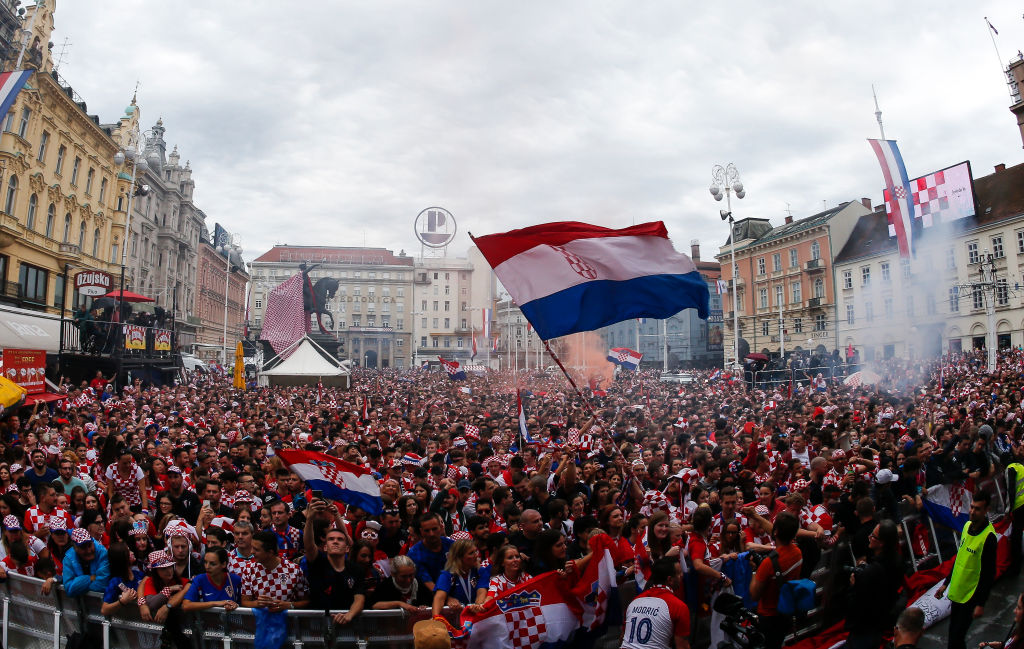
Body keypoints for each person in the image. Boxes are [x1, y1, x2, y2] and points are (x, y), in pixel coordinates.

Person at [937, 491, 997, 649]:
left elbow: (988, 574)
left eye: (977, 509)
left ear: (986, 510)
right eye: (971, 507)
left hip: (970, 595)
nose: (972, 511)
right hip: (957, 590)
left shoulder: (989, 537)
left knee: (957, 637)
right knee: (954, 636)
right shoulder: (966, 526)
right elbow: (960, 557)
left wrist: (980, 604)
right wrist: (946, 583)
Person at [843, 520, 905, 649]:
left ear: (882, 543)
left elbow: (856, 602)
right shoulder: (898, 560)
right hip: (881, 621)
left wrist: (854, 585)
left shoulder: (871, 573)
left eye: (873, 536)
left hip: (865, 627)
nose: (869, 537)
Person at [302, 498, 365, 625]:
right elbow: (309, 545)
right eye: (331, 539)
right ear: (325, 546)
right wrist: (309, 519)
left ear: (347, 548)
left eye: (340, 540)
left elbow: (359, 598)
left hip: (347, 625)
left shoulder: (355, 569)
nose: (335, 541)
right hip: (318, 625)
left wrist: (349, 615)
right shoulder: (318, 562)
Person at [750, 512, 801, 649]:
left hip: (768, 617)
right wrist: (756, 516)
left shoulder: (768, 564)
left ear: (776, 532)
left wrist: (754, 570)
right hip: (785, 614)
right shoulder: (797, 553)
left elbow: (754, 594)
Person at [621, 557, 690, 649]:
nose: (682, 575)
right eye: (679, 573)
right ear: (670, 580)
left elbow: (622, 638)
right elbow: (682, 646)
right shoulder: (678, 607)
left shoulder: (634, 602)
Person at [239, 530, 309, 612]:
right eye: (252, 547)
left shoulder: (294, 570)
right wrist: (257, 603)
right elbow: (244, 602)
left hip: (286, 623)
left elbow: (306, 601)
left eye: (256, 549)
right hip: (260, 623)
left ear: (270, 552)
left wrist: (289, 605)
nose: (251, 552)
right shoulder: (249, 569)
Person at [138, 550, 189, 649]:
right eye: (163, 568)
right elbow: (152, 603)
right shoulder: (150, 581)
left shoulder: (180, 580)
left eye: (170, 566)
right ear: (156, 571)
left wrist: (168, 606)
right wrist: (169, 589)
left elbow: (192, 585)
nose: (168, 570)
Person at [431, 538, 487, 617]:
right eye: (471, 553)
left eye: (476, 551)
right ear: (459, 557)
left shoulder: (480, 572)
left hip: (476, 615)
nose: (476, 555)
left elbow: (481, 592)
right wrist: (436, 618)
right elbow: (439, 598)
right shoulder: (447, 575)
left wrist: (477, 608)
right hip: (456, 619)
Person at [181, 547, 242, 611]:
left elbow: (244, 603)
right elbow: (185, 605)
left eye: (212, 564)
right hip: (206, 620)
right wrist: (215, 603)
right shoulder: (199, 580)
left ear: (224, 564)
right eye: (205, 562)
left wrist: (235, 605)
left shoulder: (235, 580)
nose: (207, 567)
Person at [407, 512, 453, 591]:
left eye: (434, 529)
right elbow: (428, 583)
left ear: (441, 527)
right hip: (429, 596)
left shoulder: (451, 545)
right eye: (427, 531)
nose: (431, 534)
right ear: (421, 531)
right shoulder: (414, 554)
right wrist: (446, 598)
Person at [62, 527, 110, 597]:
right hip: (79, 606)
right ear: (75, 548)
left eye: (89, 545)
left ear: (92, 542)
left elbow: (102, 585)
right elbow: (69, 589)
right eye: (83, 547)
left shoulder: (102, 553)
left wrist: (79, 586)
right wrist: (90, 578)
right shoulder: (68, 558)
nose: (88, 551)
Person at [100, 542, 144, 616]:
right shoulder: (115, 581)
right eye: (128, 551)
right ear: (121, 557)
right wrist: (123, 601)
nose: (132, 553)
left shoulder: (139, 574)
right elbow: (104, 610)